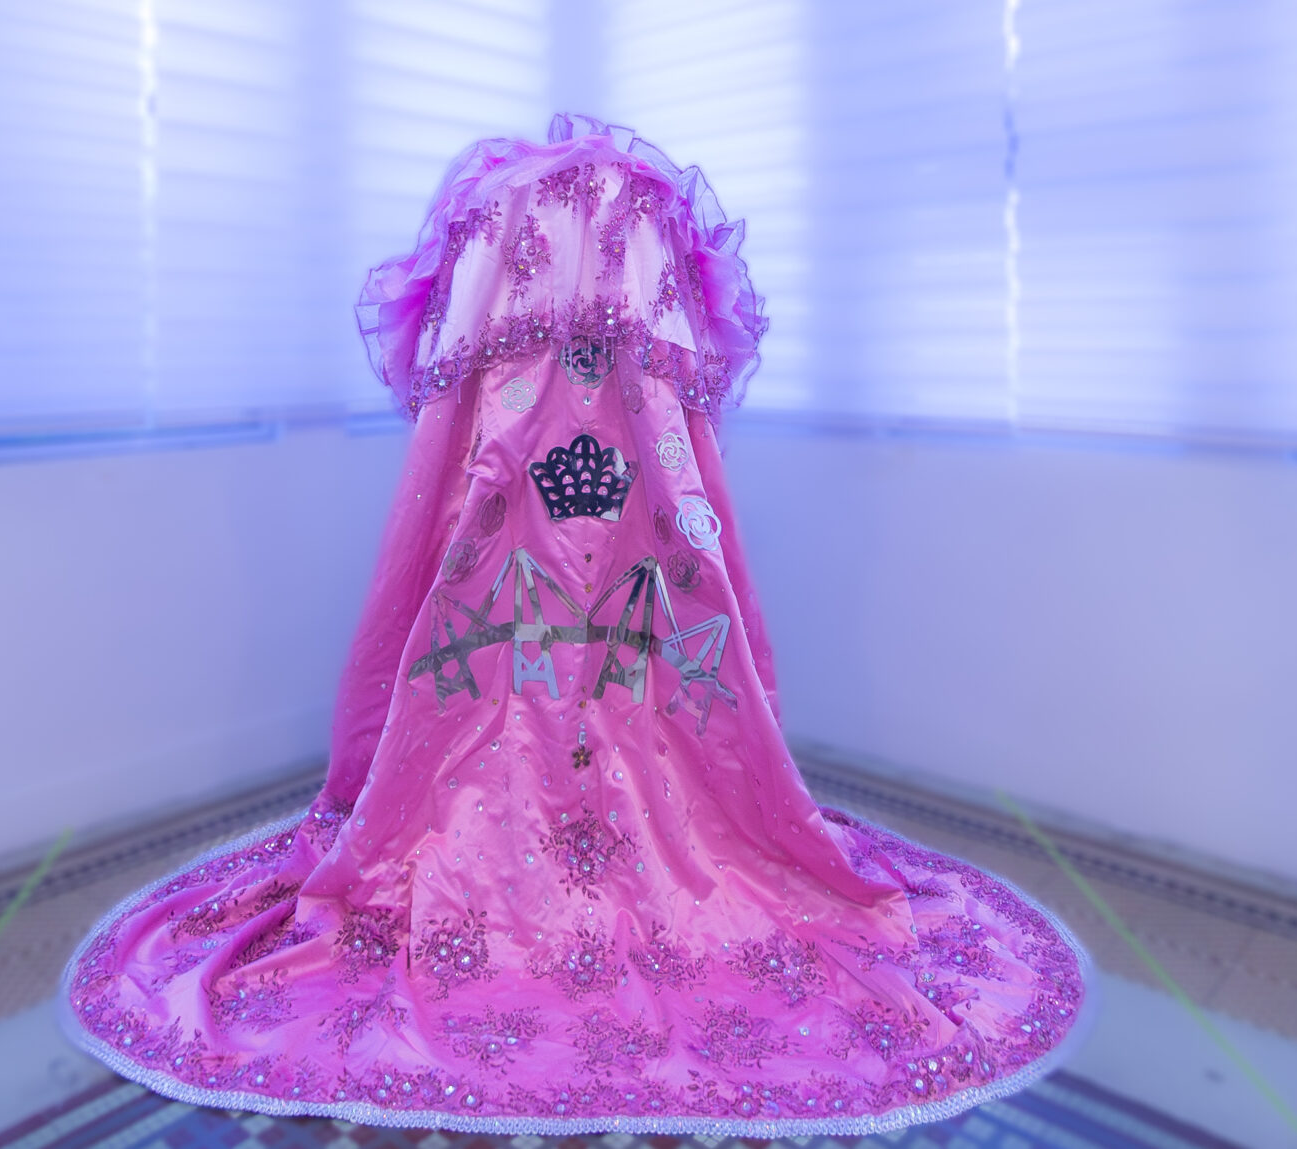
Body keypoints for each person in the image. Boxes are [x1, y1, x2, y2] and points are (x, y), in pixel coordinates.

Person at [59, 115, 1090, 1134]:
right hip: (526, 540)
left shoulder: (547, 252)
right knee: (524, 651)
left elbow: (607, 449)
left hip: (575, 533)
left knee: (604, 649)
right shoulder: (588, 253)